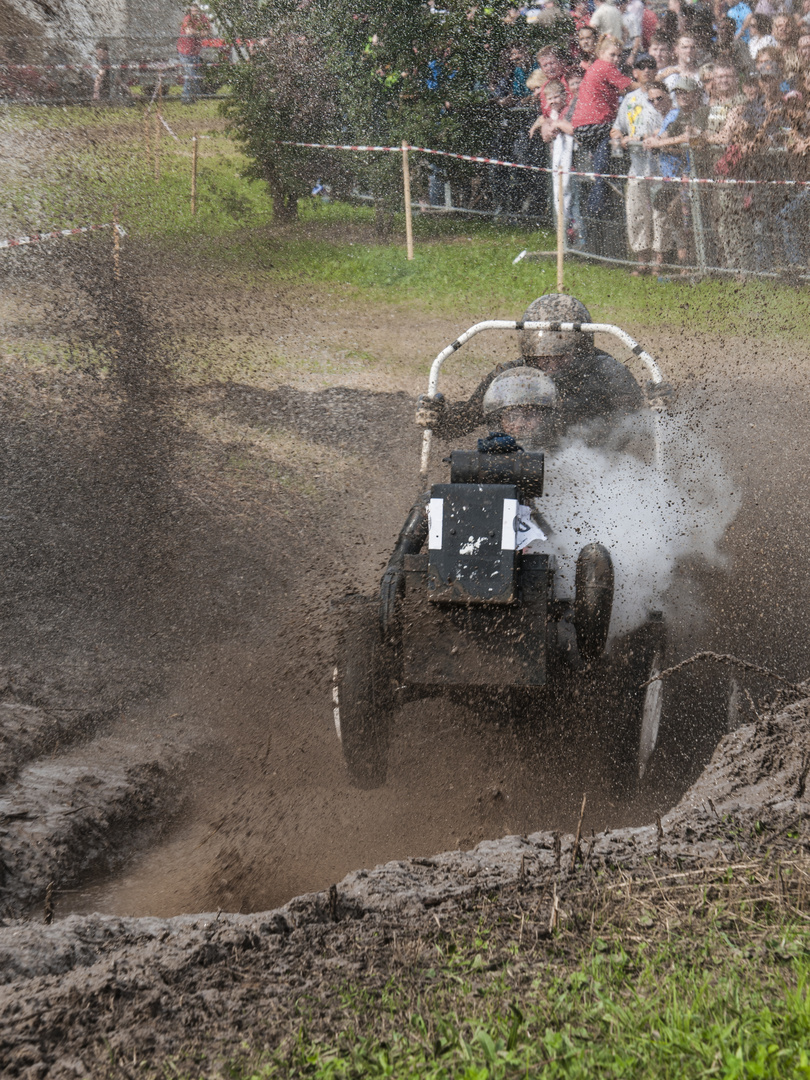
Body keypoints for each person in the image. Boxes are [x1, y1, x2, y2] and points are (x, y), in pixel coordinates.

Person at [414, 294, 644, 442]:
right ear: (528, 352)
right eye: (542, 358)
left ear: (581, 349)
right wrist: (439, 420)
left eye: (561, 357)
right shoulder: (511, 377)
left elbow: (643, 428)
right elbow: (461, 423)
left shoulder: (607, 374)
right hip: (524, 470)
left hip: (595, 472)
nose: (551, 366)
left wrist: (660, 406)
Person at [571, 34, 638, 220]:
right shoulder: (605, 67)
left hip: (582, 127)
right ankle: (599, 193)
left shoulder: (595, 67)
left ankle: (601, 188)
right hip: (595, 123)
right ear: (601, 53)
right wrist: (651, 85)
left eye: (619, 56)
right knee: (616, 133)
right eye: (612, 54)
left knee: (604, 147)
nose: (616, 59)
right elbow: (631, 86)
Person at [610, 53, 661, 273]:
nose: (647, 70)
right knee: (637, 213)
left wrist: (640, 139)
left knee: (660, 216)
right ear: (635, 72)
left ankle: (659, 262)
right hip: (637, 167)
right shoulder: (629, 100)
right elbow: (616, 127)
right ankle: (642, 261)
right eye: (642, 67)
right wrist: (618, 138)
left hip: (660, 166)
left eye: (651, 66)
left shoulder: (662, 96)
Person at [177, 2, 211, 104]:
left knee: (195, 76)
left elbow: (208, 31)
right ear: (190, 11)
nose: (195, 13)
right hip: (185, 51)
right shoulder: (188, 19)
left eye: (197, 11)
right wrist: (200, 33)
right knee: (190, 74)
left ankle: (192, 97)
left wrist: (197, 32)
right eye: (193, 11)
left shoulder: (204, 19)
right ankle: (186, 98)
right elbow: (188, 32)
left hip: (195, 51)